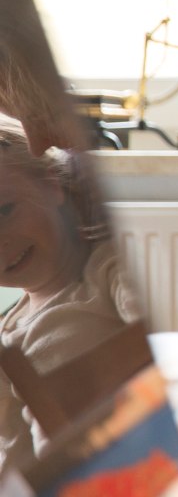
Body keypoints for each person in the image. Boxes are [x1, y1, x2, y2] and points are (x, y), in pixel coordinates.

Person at [0, 117, 140, 467]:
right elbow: (12, 456)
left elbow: (157, 343)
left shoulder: (108, 269)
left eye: (4, 211)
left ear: (52, 186)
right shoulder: (7, 339)